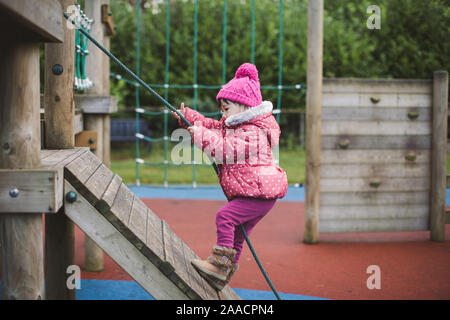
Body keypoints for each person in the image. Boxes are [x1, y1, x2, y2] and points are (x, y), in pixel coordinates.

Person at [171, 63, 288, 290]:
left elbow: (224, 150)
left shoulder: (253, 132)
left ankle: (218, 266)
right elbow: (213, 125)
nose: (222, 113)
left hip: (257, 194)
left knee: (225, 218)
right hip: (255, 194)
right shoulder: (237, 123)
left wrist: (201, 136)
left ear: (244, 106)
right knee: (236, 236)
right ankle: (222, 274)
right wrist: (188, 117)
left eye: (226, 108)